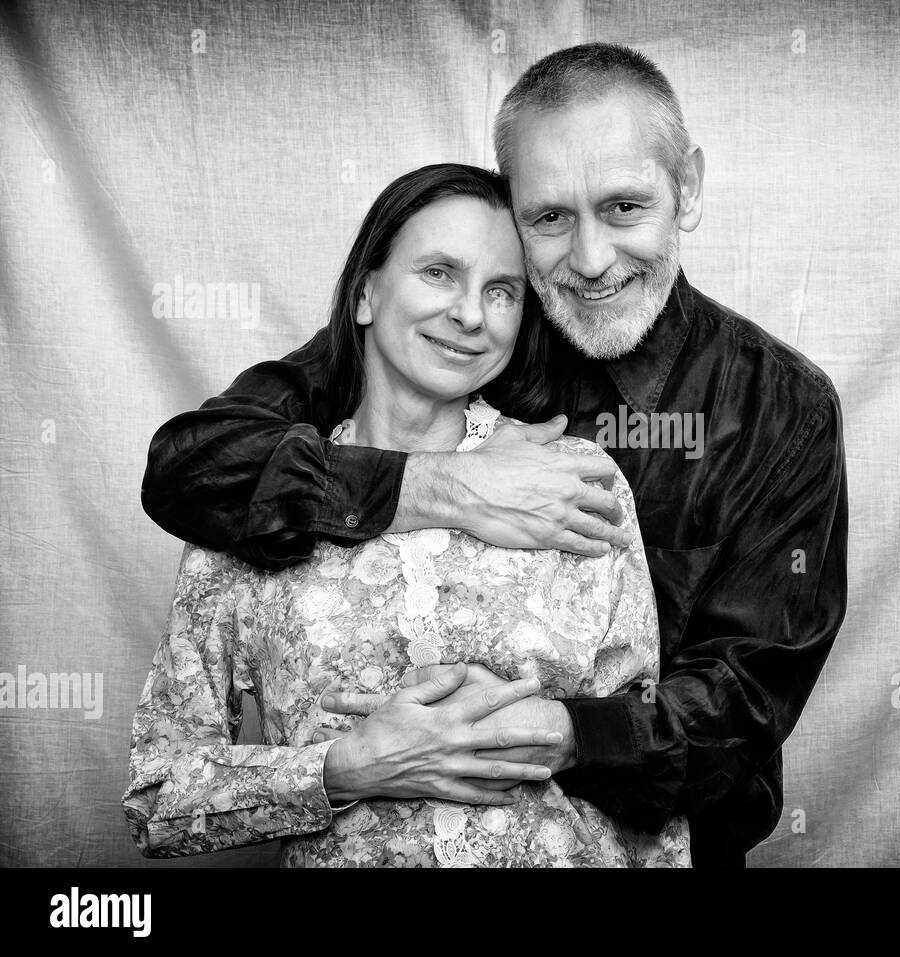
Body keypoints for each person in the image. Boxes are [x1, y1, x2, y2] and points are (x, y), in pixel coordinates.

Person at [142, 43, 849, 868]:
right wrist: (447, 486)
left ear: (685, 189)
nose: (589, 261)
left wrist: (558, 734)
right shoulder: (463, 331)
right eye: (549, 217)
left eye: (624, 206)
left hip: (665, 831)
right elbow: (193, 465)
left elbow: (751, 694)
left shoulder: (782, 408)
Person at [125, 163, 691, 867]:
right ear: (366, 292)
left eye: (502, 291)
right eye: (438, 273)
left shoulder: (572, 479)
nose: (470, 314)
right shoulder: (254, 502)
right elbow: (157, 799)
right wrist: (345, 767)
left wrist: (550, 731)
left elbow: (651, 777)